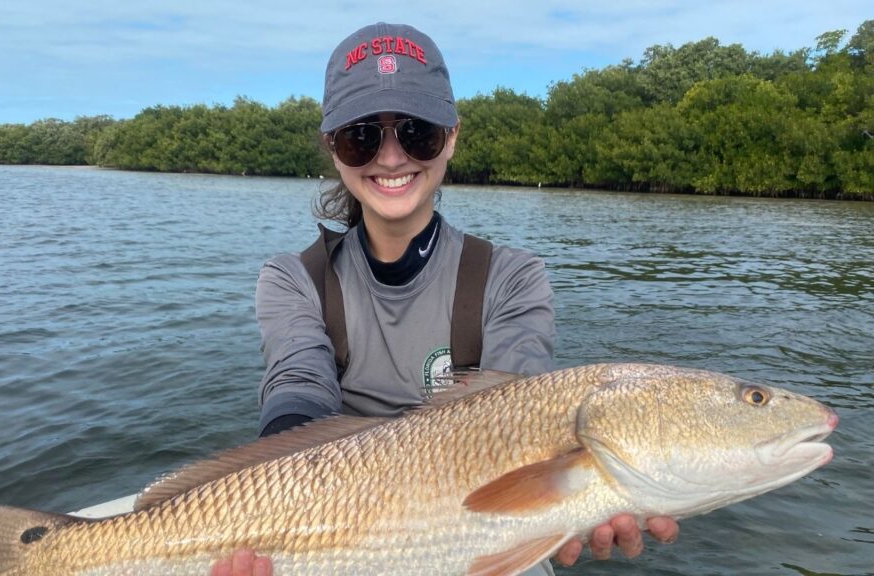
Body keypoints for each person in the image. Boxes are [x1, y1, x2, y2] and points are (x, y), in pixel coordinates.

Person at [212, 22, 678, 576]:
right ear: (333, 150)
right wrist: (272, 514)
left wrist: (590, 488)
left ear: (452, 137)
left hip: (485, 527)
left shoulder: (512, 276)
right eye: (361, 136)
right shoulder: (293, 278)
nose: (390, 158)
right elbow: (298, 391)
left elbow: (525, 417)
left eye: (416, 133)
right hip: (321, 528)